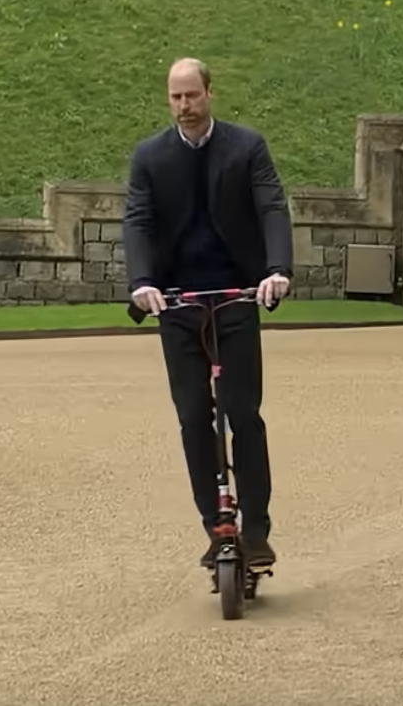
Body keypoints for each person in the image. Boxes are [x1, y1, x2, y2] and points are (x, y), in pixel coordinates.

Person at [122, 57, 294, 570]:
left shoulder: (246, 147)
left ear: (210, 93)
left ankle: (257, 529)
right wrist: (141, 283)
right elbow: (138, 220)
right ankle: (216, 525)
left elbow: (271, 206)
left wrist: (277, 269)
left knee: (243, 413)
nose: (184, 107)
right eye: (175, 97)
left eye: (192, 96)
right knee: (194, 417)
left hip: (238, 295)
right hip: (177, 302)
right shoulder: (150, 157)